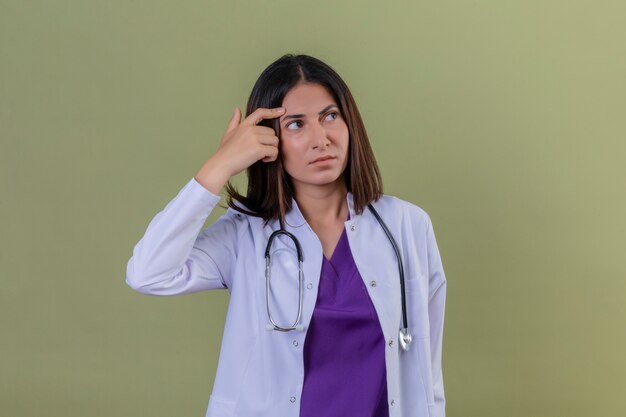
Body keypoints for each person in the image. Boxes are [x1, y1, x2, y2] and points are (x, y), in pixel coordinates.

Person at [126, 53, 447, 417]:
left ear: (349, 123)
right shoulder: (245, 234)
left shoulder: (407, 226)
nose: (320, 139)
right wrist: (220, 165)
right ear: (268, 141)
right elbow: (147, 273)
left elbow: (426, 370)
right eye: (296, 124)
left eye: (330, 116)